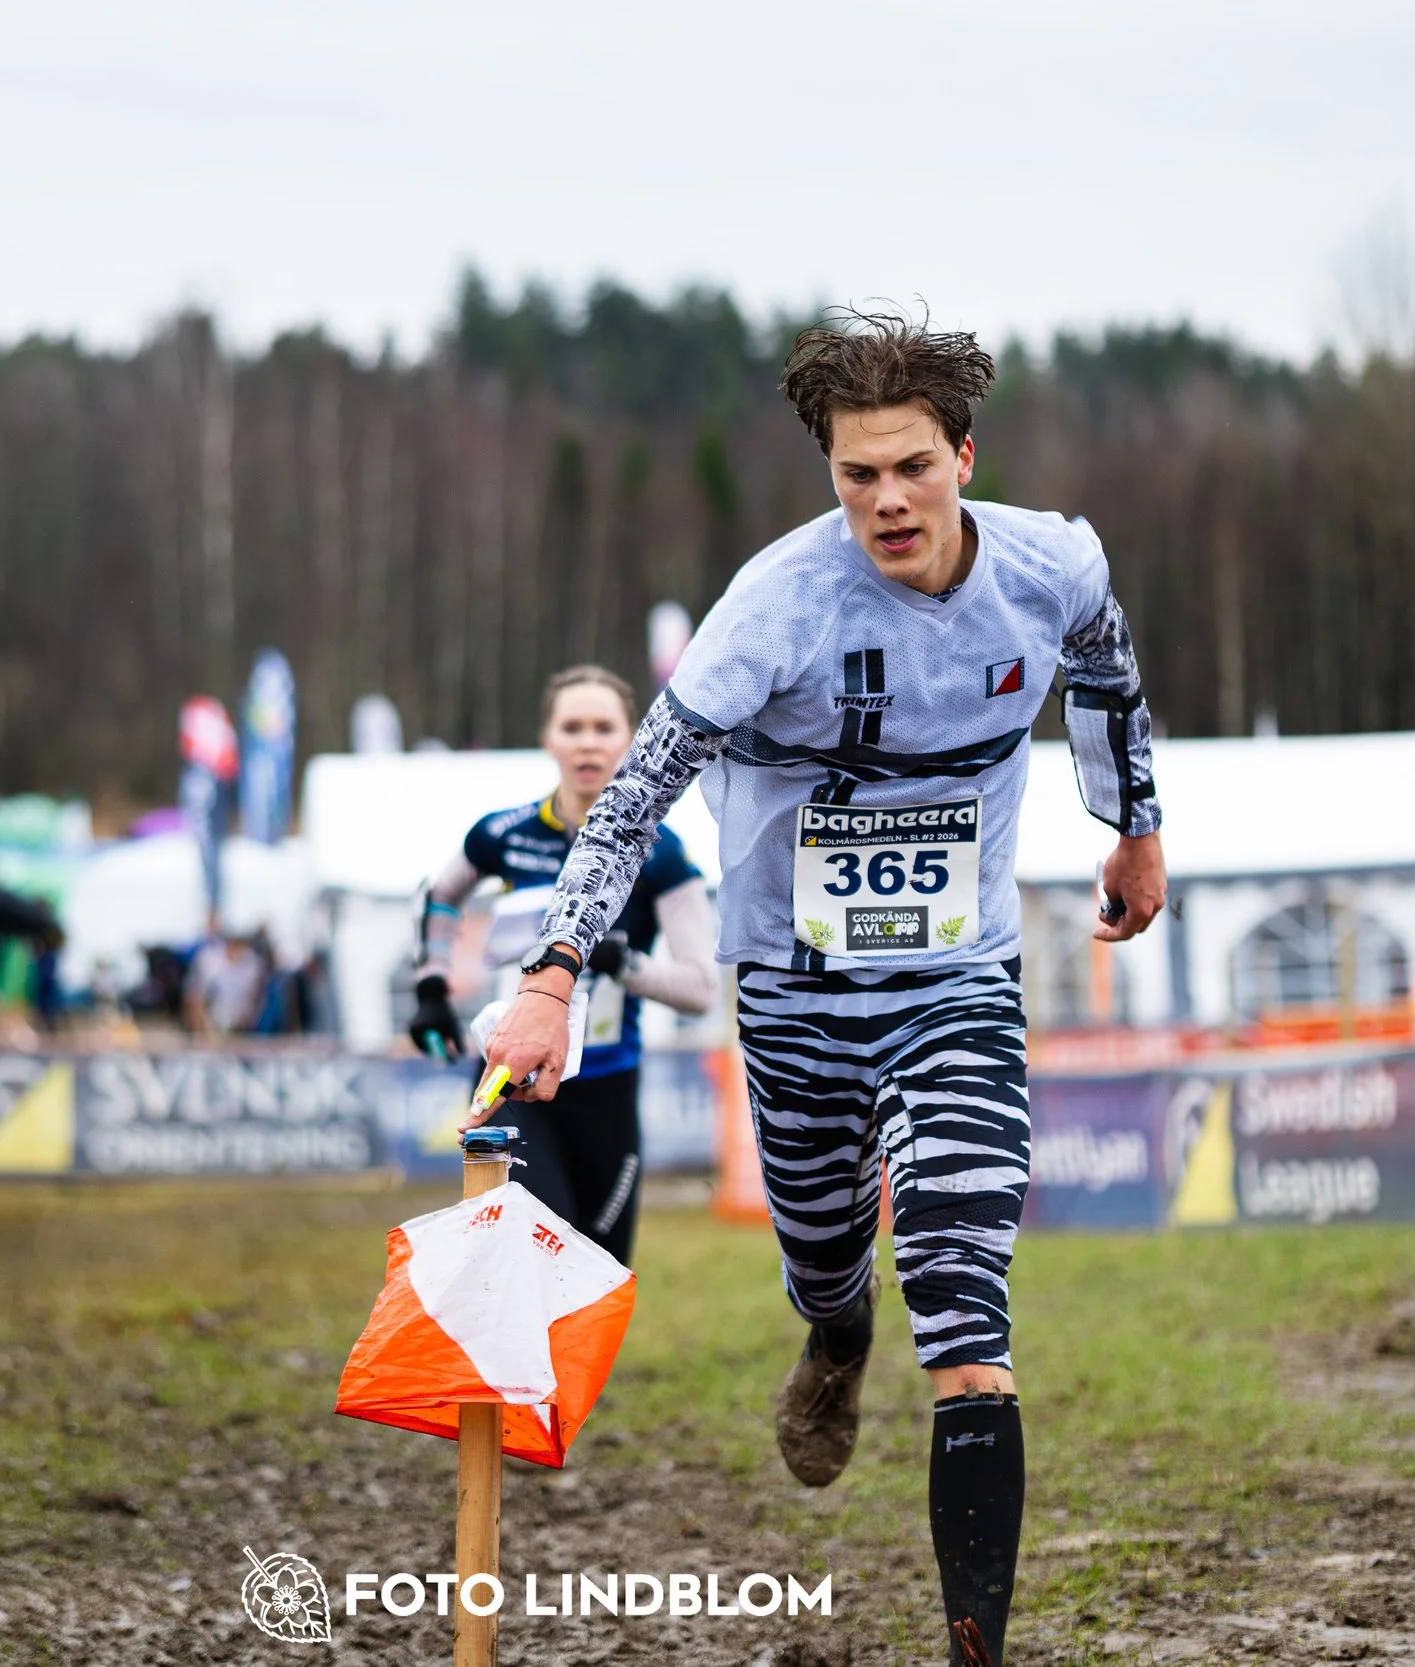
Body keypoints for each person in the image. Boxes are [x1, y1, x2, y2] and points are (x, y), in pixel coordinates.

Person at [477, 312, 1168, 1667]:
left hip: (958, 975)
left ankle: (978, 1647)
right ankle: (836, 1334)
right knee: (828, 1262)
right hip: (793, 992)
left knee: (966, 1302)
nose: (888, 501)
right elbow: (634, 798)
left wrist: (1131, 822)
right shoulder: (773, 608)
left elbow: (1110, 662)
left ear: (964, 455)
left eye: (912, 466)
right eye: (858, 477)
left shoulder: (1052, 561)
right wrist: (553, 973)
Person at [409, 665, 717, 1266]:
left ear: (632, 740)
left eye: (604, 727)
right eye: (571, 726)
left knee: (598, 1270)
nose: (587, 742)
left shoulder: (664, 854)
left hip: (606, 1084)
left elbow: (702, 989)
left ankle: (572, 1367)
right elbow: (439, 895)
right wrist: (431, 983)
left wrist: (620, 963)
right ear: (548, 739)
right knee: (531, 1256)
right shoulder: (504, 834)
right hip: (514, 1082)